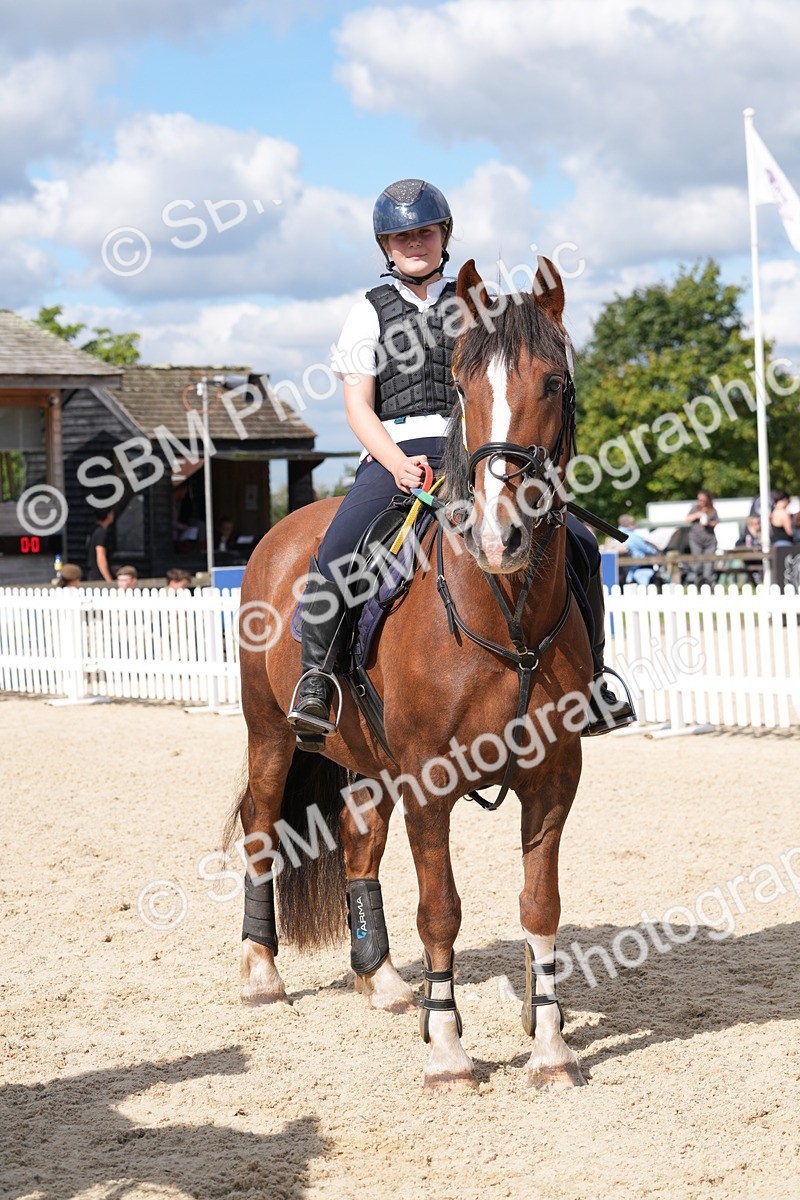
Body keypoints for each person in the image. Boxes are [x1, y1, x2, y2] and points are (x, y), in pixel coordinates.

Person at [287, 178, 633, 745]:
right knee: (340, 548)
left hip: (474, 453)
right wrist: (396, 463)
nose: (414, 243)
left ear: (443, 235)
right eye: (401, 236)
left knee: (580, 542)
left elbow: (505, 389)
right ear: (385, 247)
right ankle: (317, 680)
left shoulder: (479, 307)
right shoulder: (366, 313)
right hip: (393, 454)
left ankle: (593, 681)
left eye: (424, 231)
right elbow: (357, 406)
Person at [686, 488, 719, 584]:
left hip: (709, 540)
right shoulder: (695, 509)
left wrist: (708, 523)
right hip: (696, 539)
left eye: (702, 500)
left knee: (708, 563)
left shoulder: (712, 510)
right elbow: (687, 519)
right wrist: (697, 515)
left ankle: (707, 582)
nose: (700, 502)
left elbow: (716, 523)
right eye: (699, 499)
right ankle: (694, 582)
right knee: (697, 562)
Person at [617, 515, 659, 585]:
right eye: (633, 523)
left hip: (624, 571)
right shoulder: (631, 536)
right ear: (630, 524)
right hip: (639, 569)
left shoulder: (616, 535)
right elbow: (647, 549)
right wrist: (655, 551)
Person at [85, 510, 115, 583]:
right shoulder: (101, 532)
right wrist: (108, 579)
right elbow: (100, 556)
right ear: (108, 515)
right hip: (99, 577)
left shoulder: (93, 530)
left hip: (92, 574)